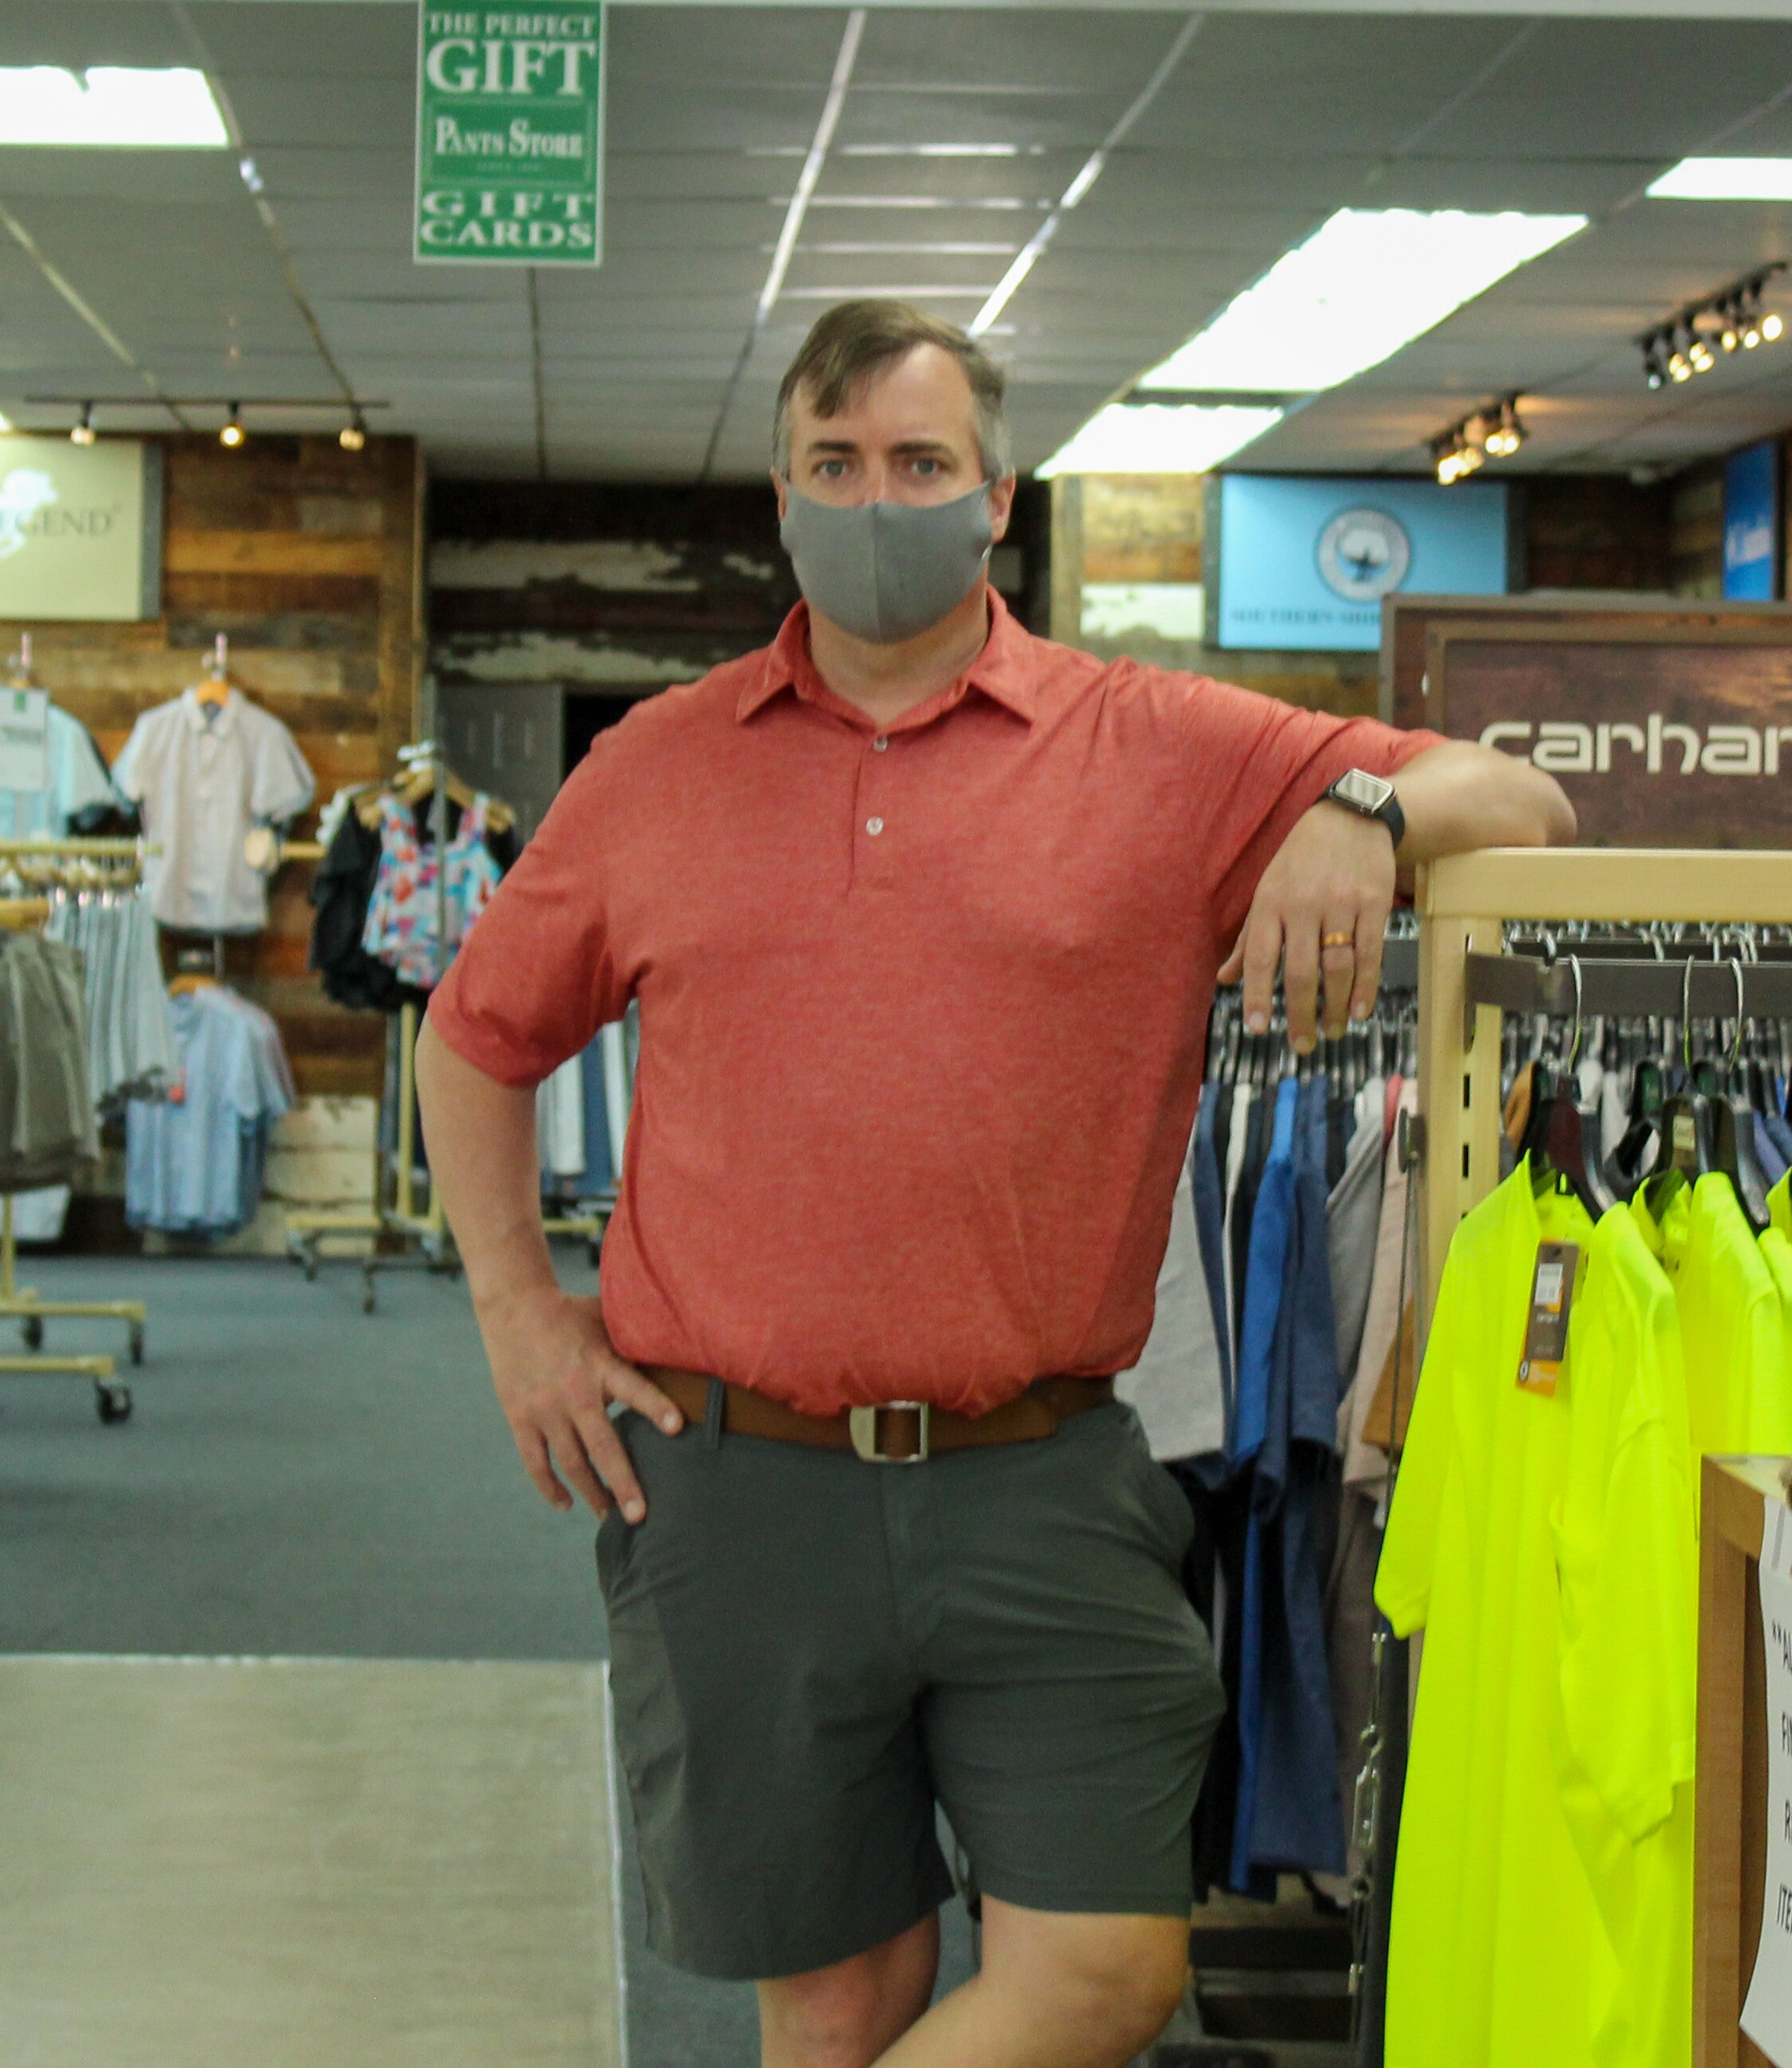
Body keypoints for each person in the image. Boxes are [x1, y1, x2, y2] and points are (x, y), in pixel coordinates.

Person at [418, 297, 1572, 2068]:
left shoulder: (1154, 743)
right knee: (834, 2007)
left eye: (918, 463)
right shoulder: (657, 767)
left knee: (1107, 1969)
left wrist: (1368, 814)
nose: (877, 499)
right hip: (736, 1484)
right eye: (835, 465)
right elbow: (476, 1038)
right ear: (783, 496)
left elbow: (1528, 807)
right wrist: (516, 1311)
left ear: (995, 496)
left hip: (1043, 1475)